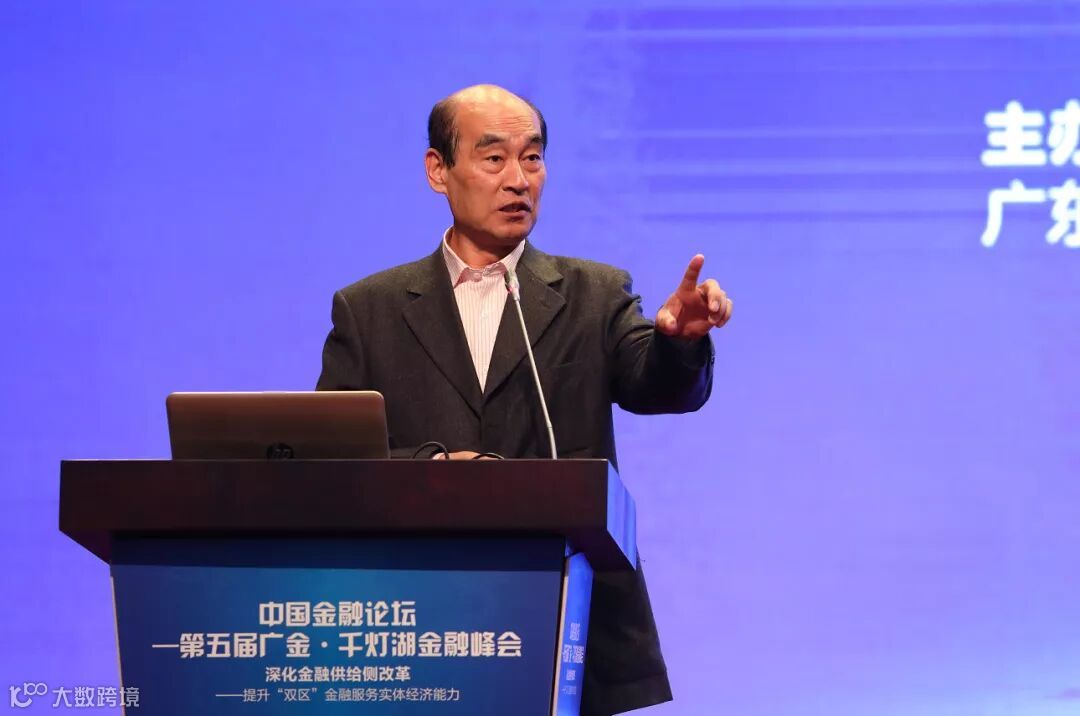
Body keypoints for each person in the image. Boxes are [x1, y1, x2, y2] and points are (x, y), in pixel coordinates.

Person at [317, 84, 732, 715]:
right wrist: (433, 469)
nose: (518, 180)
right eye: (494, 158)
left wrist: (680, 342)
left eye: (532, 158)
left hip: (566, 623)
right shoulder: (368, 309)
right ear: (438, 170)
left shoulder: (593, 293)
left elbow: (656, 386)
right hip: (417, 620)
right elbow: (335, 460)